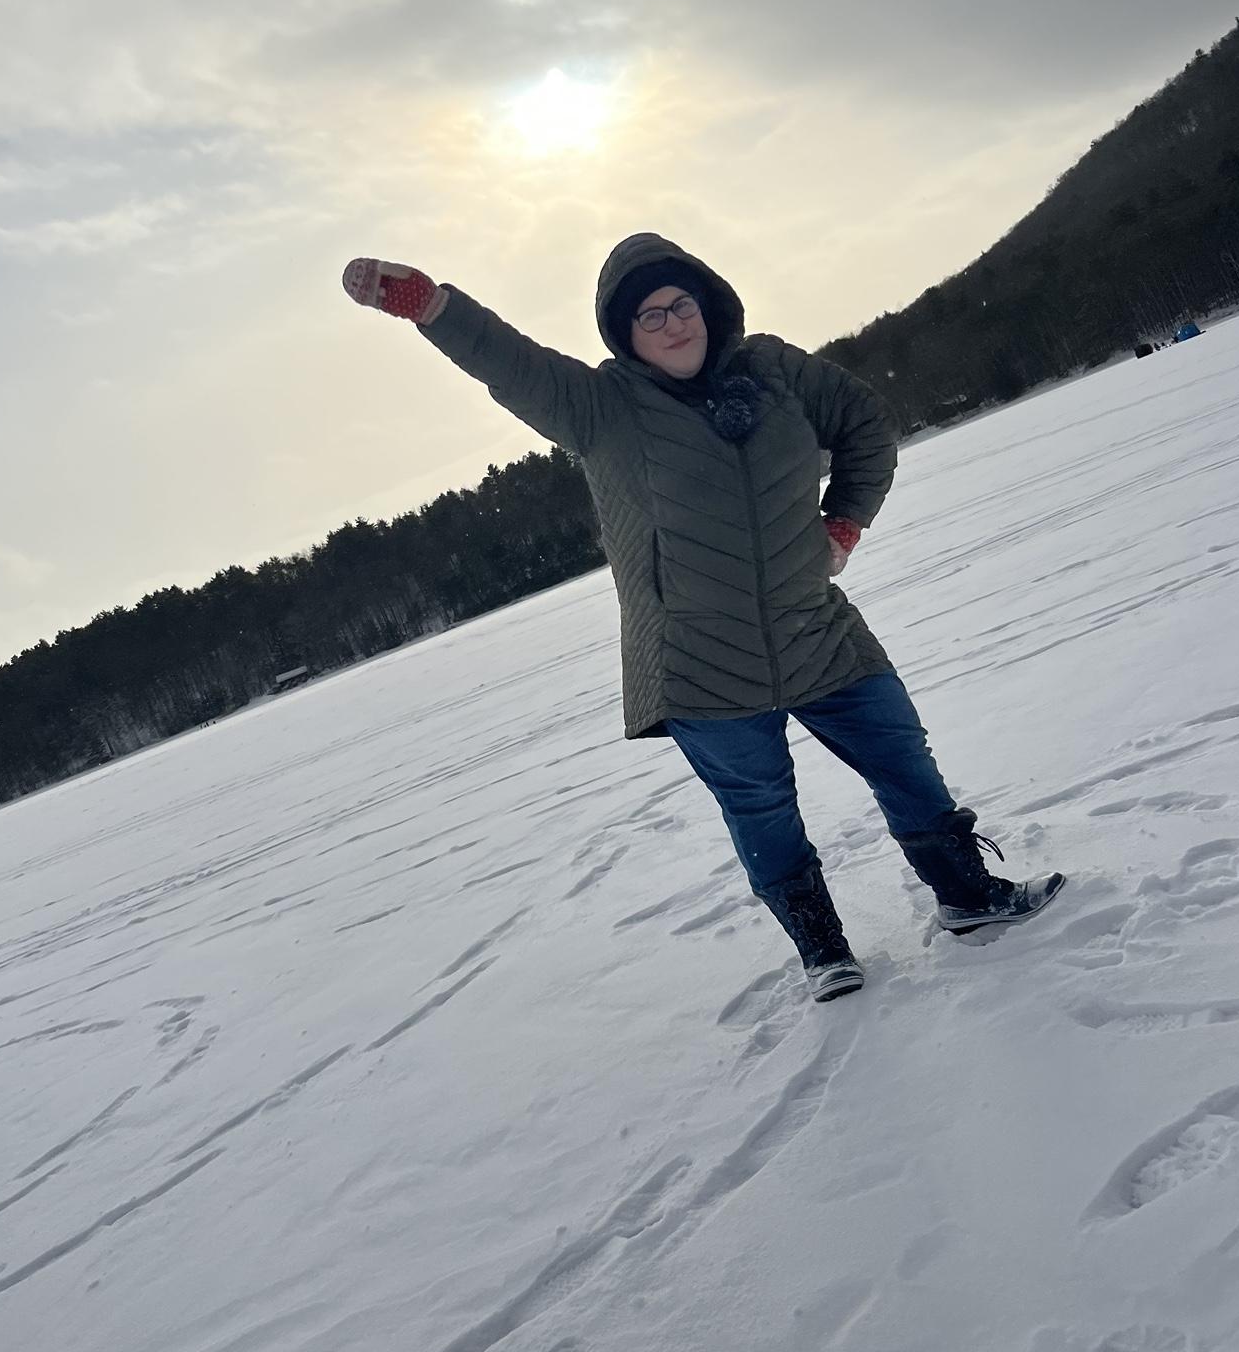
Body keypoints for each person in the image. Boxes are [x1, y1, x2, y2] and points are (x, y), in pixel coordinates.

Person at [342, 234, 1063, 1001]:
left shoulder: (775, 371)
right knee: (762, 812)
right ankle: (824, 952)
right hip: (698, 665)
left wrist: (844, 523)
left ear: (708, 304)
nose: (672, 323)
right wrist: (431, 306)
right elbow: (510, 362)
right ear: (625, 333)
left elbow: (865, 426)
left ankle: (968, 896)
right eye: (649, 316)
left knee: (904, 761)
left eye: (680, 304)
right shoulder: (601, 408)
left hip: (817, 632)